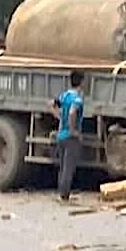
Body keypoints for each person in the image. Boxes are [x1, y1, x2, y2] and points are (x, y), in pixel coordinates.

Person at [53, 70, 84, 202]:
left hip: (61, 135)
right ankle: (64, 195)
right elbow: (72, 112)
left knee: (62, 167)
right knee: (68, 168)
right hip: (70, 138)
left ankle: (61, 192)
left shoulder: (64, 96)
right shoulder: (77, 99)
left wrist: (59, 117)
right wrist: (73, 131)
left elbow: (52, 104)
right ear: (81, 82)